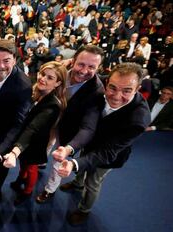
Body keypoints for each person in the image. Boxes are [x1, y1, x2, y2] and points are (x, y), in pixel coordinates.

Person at [57, 62, 151, 225]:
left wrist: (74, 163)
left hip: (109, 155)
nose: (116, 96)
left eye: (127, 91)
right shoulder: (98, 87)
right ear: (107, 82)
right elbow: (88, 126)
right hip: (89, 143)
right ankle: (77, 183)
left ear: (137, 89)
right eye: (113, 88)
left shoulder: (139, 119)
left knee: (92, 183)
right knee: (81, 168)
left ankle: (84, 209)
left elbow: (106, 153)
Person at [35, 45, 105, 204]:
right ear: (73, 61)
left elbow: (88, 127)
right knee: (45, 143)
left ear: (98, 68)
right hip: (51, 116)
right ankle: (41, 159)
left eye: (91, 67)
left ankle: (49, 190)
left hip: (70, 128)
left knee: (58, 162)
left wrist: (69, 148)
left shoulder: (97, 91)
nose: (84, 70)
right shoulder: (60, 70)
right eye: (81, 64)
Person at [4, 61, 67, 205]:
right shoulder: (37, 92)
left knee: (31, 168)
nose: (43, 79)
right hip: (26, 139)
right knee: (24, 164)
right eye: (43, 74)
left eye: (50, 78)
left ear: (58, 83)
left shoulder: (53, 105)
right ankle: (21, 178)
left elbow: (33, 127)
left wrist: (16, 150)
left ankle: (27, 191)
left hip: (35, 143)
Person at [0, 39, 32, 204]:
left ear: (15, 59)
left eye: (6, 61)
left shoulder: (23, 84)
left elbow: (18, 123)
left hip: (9, 127)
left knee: (2, 159)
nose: (0, 65)